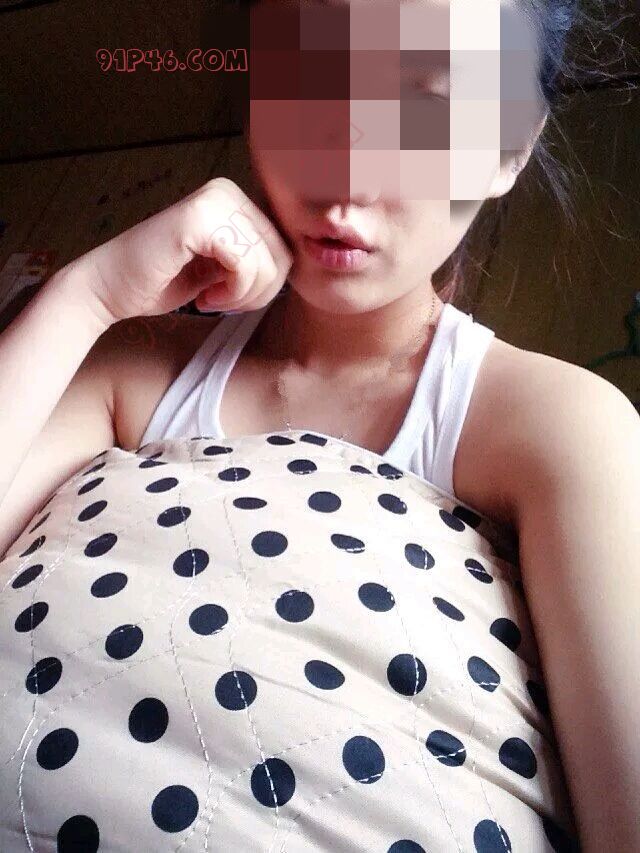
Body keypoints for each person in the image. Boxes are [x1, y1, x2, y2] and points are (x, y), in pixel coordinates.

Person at [0, 1, 638, 850]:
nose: (346, 172)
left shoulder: (556, 426)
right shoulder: (127, 366)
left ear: (509, 148)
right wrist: (88, 295)